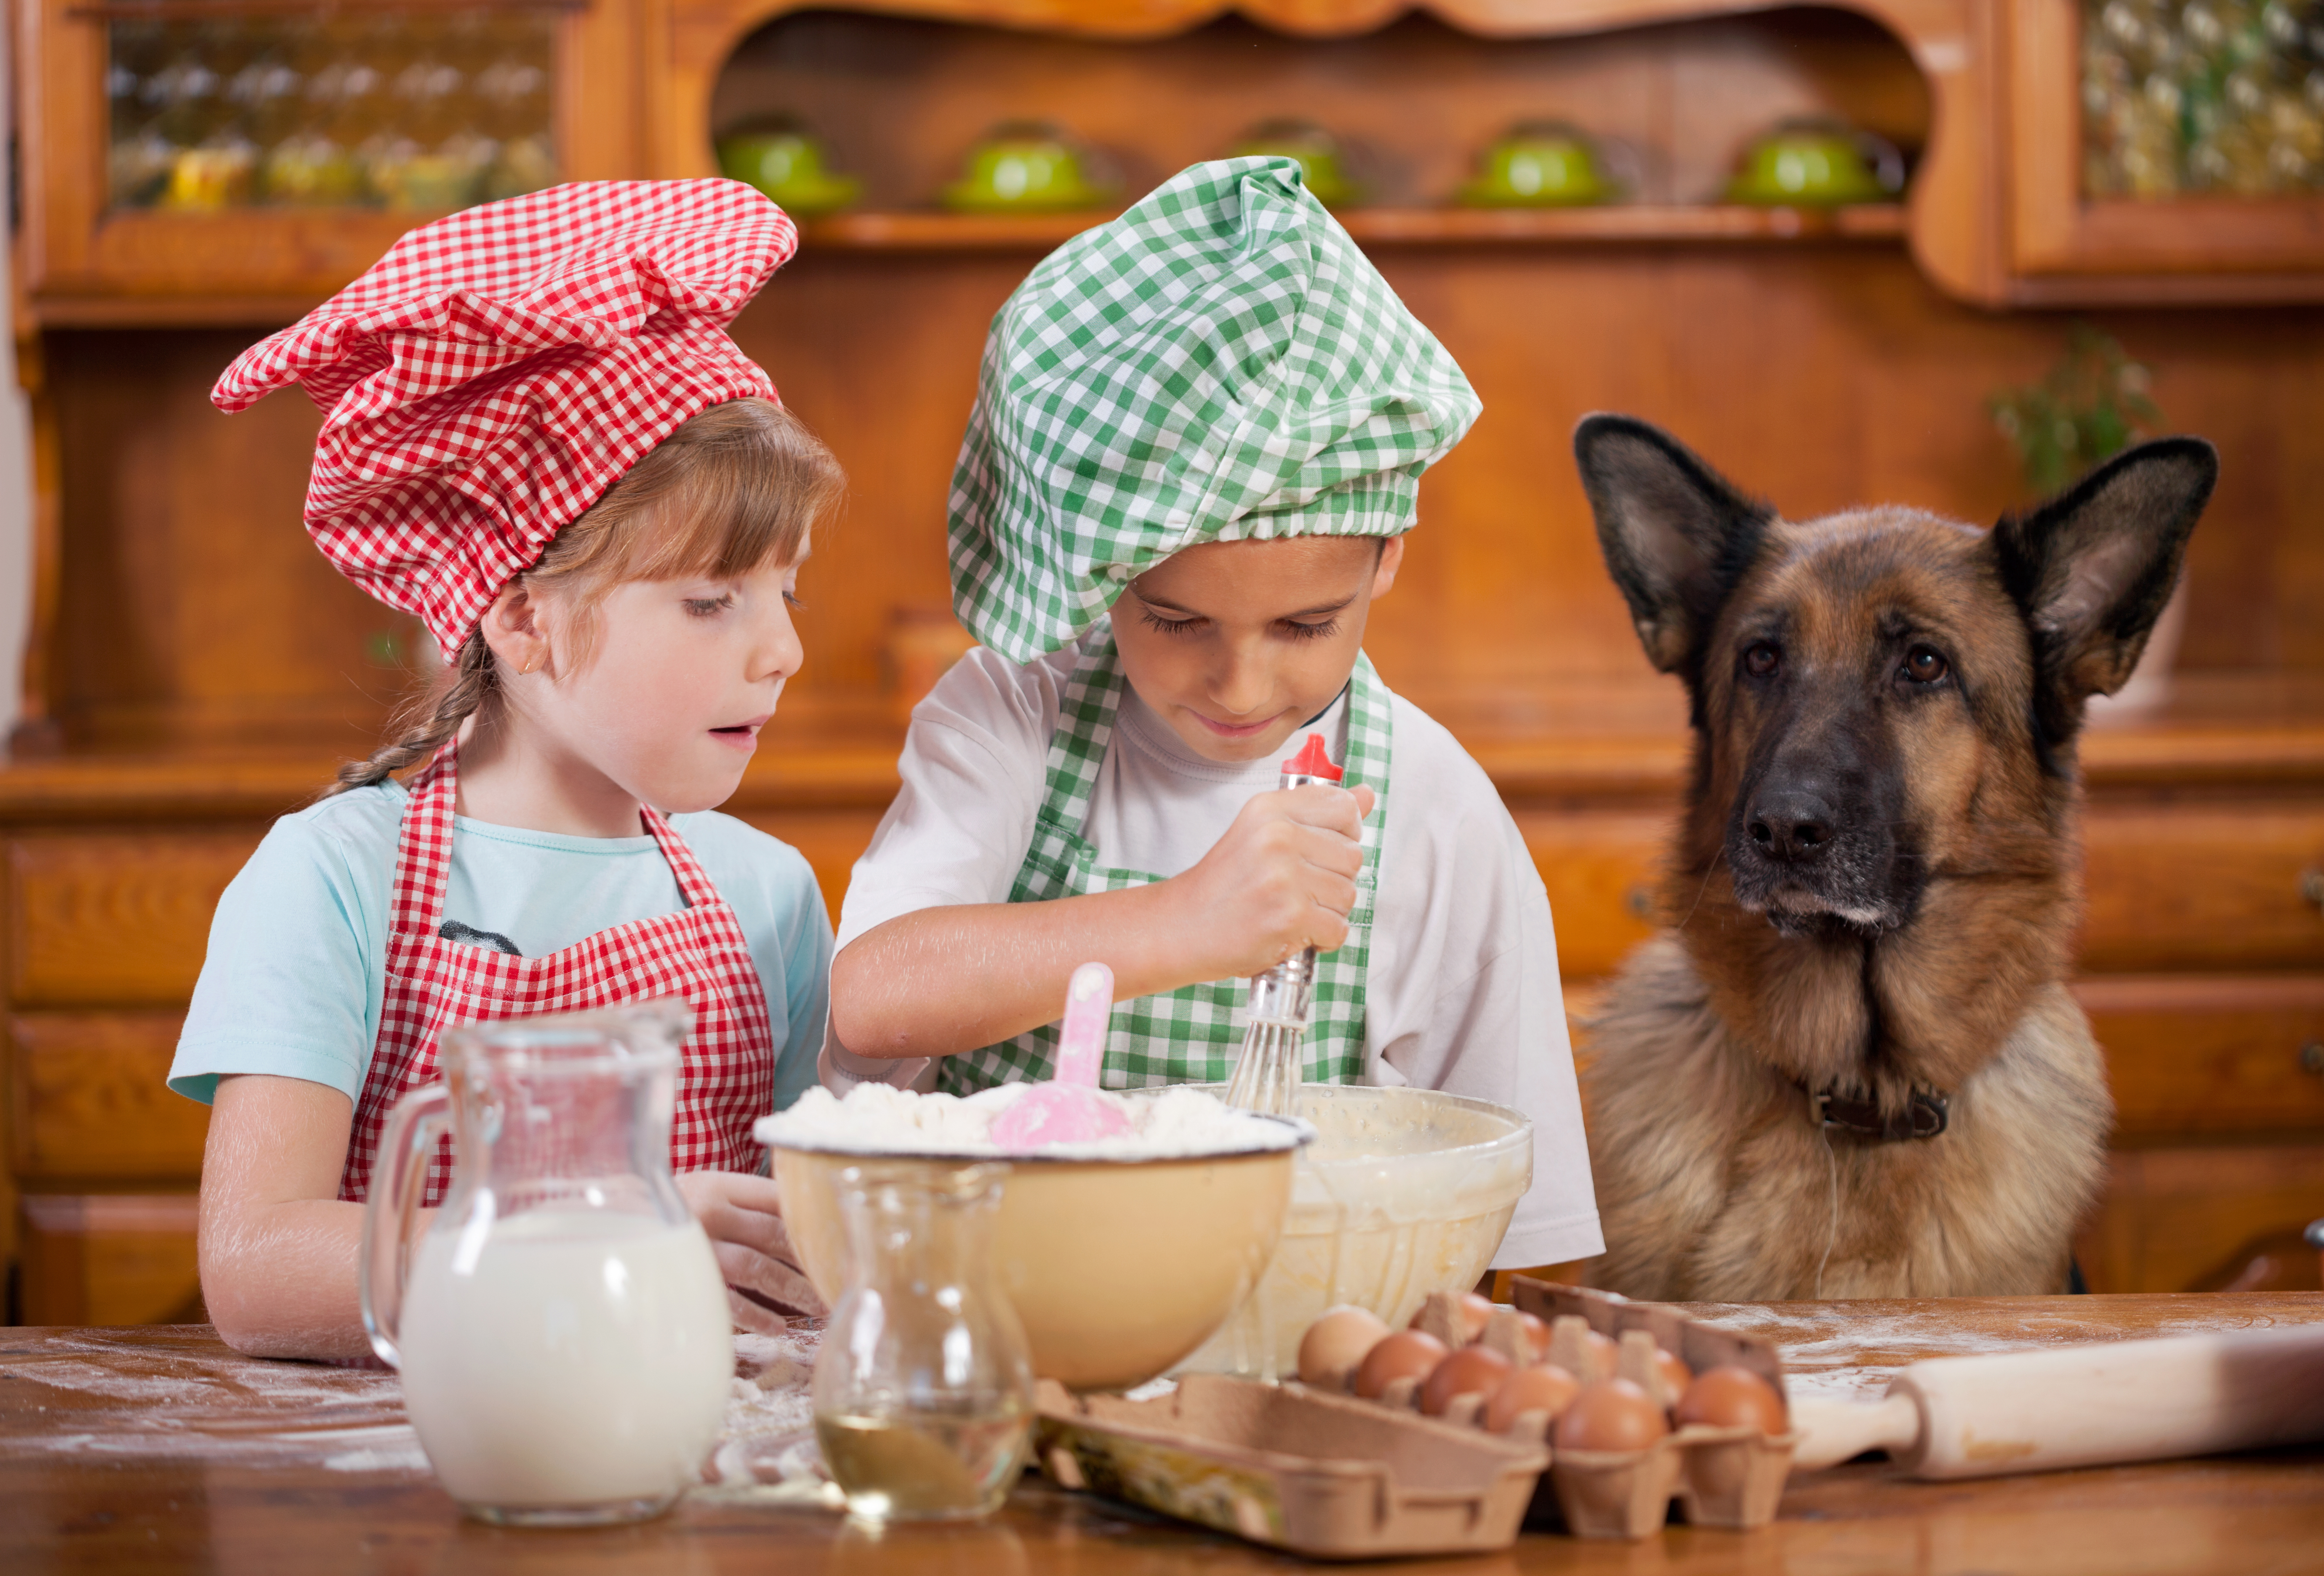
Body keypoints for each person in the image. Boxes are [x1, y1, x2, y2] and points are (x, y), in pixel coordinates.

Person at [824, 159, 1602, 1273]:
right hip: (1005, 1322)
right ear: (1104, 582)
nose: (1239, 689)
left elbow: (1518, 1223)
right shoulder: (1018, 716)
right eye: (1176, 622)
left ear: (1387, 559)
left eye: (1304, 627)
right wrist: (1193, 922)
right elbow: (875, 1000)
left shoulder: (1433, 803)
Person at [172, 181, 842, 1360]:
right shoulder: (334, 878)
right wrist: (605, 1233)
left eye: (787, 592)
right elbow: (257, 1269)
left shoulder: (767, 896)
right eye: (709, 601)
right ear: (524, 620)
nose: (782, 649)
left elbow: (807, 1255)